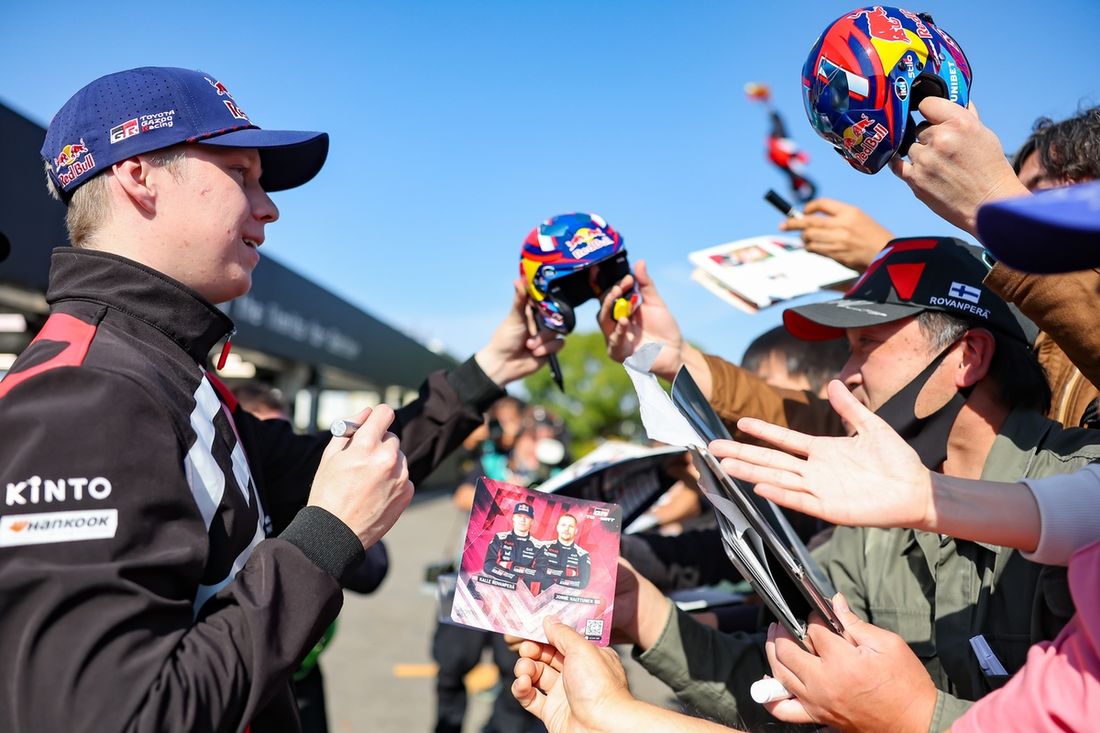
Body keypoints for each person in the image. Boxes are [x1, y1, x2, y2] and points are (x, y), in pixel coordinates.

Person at [0, 66, 560, 733]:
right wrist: (326, 536)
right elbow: (116, 716)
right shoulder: (88, 392)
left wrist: (491, 368)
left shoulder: (171, 372)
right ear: (139, 175)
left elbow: (351, 463)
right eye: (241, 174)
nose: (268, 207)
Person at [599, 238, 1100, 731]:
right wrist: (640, 612)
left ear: (968, 355)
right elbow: (798, 684)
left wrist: (916, 717)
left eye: (867, 345)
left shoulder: (1083, 491)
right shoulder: (876, 519)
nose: (845, 376)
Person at [483, 502, 544, 587]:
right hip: (497, 586)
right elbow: (488, 565)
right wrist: (512, 577)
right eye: (519, 516)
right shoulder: (500, 538)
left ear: (532, 521)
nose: (523, 520)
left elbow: (540, 575)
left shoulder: (538, 546)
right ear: (513, 518)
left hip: (522, 592)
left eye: (527, 517)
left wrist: (511, 566)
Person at [536, 514, 590, 592]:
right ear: (558, 528)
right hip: (542, 598)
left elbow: (583, 583)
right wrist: (566, 572)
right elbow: (539, 571)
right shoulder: (544, 546)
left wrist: (558, 580)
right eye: (563, 525)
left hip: (566, 601)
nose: (566, 529)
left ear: (576, 530)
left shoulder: (583, 554)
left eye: (571, 526)